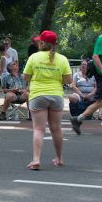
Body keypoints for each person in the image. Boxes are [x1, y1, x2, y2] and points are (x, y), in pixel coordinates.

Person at [22, 30, 72, 170]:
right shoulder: (62, 59)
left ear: (41, 43)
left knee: (39, 129)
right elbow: (68, 80)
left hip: (38, 94)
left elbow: (25, 77)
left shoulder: (34, 57)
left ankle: (36, 159)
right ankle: (59, 158)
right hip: (56, 95)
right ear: (55, 44)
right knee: (56, 129)